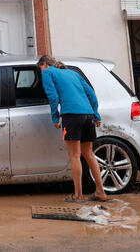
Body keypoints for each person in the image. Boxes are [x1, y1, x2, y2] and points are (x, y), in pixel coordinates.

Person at [38, 55, 108, 203]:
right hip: (88, 115)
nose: (41, 71)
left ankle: (78, 195)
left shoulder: (47, 73)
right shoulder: (73, 73)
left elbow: (53, 96)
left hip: (71, 116)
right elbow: (91, 94)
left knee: (75, 156)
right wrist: (95, 114)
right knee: (89, 154)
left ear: (44, 64)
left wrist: (55, 118)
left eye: (40, 68)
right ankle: (100, 191)